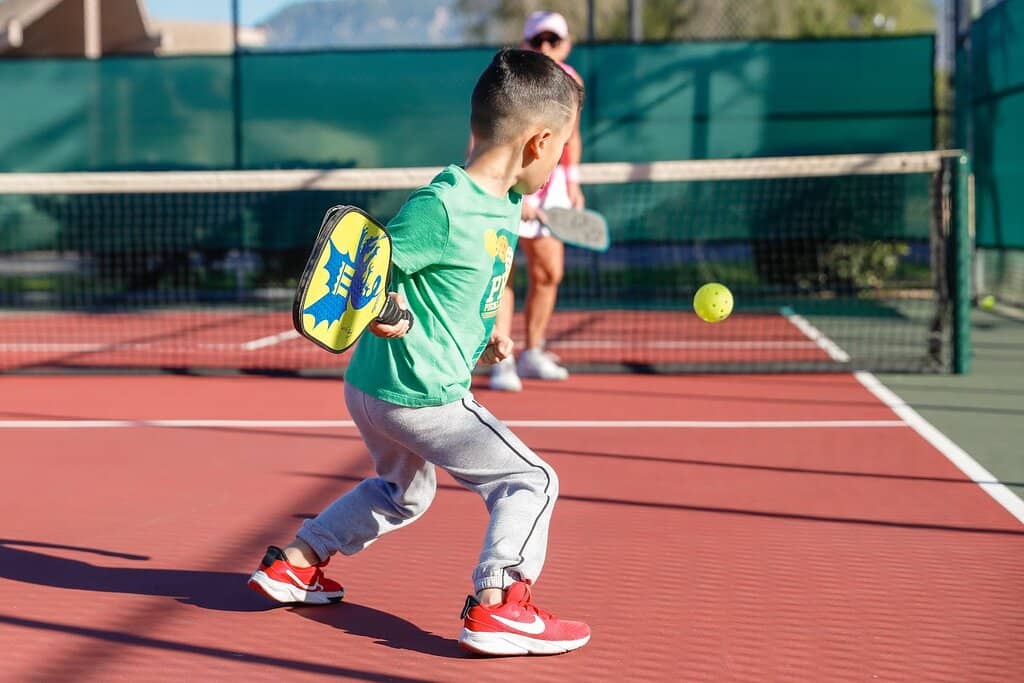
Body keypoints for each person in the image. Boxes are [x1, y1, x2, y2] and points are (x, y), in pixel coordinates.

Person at [247, 48, 590, 657]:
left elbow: (468, 281)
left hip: (375, 390)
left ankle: (297, 562)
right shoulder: (444, 205)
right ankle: (500, 603)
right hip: (420, 394)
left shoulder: (505, 202)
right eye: (561, 149)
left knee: (404, 493)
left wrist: (487, 332)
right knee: (530, 480)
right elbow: (362, 267)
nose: (559, 160)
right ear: (539, 142)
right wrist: (383, 307)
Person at [489, 10, 585, 392]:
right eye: (538, 40)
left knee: (548, 273)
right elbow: (491, 137)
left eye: (553, 40)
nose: (546, 47)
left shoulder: (572, 82)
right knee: (502, 274)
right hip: (513, 182)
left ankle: (533, 352)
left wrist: (572, 182)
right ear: (525, 44)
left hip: (553, 186)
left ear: (566, 45)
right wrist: (514, 189)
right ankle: (503, 359)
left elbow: (571, 138)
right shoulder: (512, 81)